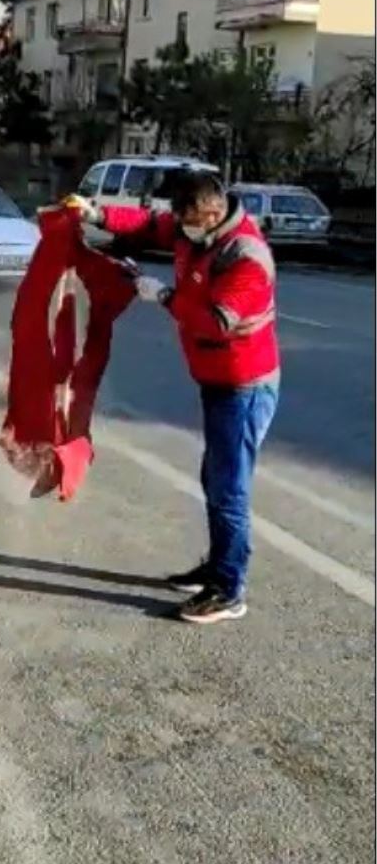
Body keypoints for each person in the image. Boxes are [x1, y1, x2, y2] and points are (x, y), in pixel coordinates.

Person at [74, 170, 279, 625]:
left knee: (229, 488)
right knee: (215, 479)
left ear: (211, 212)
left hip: (244, 386)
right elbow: (148, 225)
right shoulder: (194, 229)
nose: (177, 225)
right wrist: (97, 213)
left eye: (185, 217)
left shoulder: (247, 257)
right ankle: (218, 566)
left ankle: (228, 590)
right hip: (216, 381)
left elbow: (215, 322)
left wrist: (164, 295)